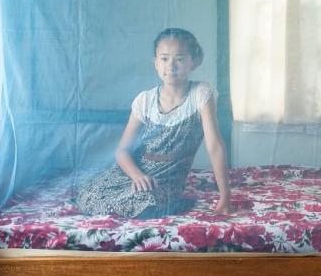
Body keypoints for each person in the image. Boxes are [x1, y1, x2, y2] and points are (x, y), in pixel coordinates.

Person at [76, 28, 232, 218]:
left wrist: (225, 195)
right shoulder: (145, 100)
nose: (171, 66)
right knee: (90, 194)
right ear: (156, 63)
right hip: (136, 171)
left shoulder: (200, 94)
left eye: (180, 59)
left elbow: (214, 145)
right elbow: (122, 150)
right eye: (164, 59)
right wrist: (137, 175)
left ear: (194, 62)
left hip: (167, 178)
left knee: (145, 202)